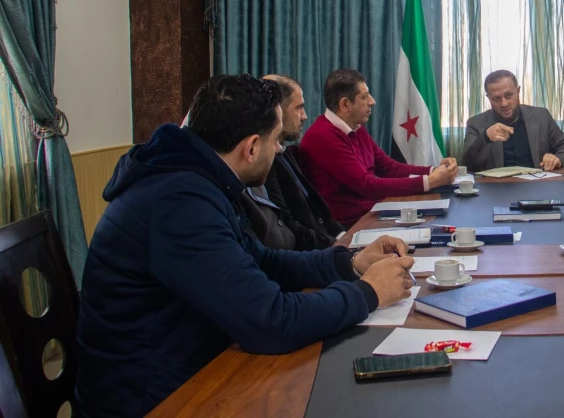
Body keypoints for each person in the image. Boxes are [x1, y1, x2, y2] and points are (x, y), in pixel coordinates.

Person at [75, 75, 416, 418]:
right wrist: (369, 292)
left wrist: (351, 263)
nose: (279, 150)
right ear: (251, 147)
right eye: (275, 141)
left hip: (191, 365)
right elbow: (271, 322)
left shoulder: (195, 178)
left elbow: (263, 261)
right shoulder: (179, 202)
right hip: (155, 399)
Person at [299, 69, 459, 227]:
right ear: (345, 104)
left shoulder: (355, 127)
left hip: (373, 211)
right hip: (351, 225)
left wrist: (433, 171)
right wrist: (429, 182)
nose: (372, 101)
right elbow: (367, 186)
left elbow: (389, 167)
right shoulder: (322, 136)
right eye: (365, 96)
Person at [261, 74, 346, 249]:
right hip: (312, 254)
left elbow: (318, 209)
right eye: (299, 108)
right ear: (278, 111)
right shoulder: (264, 163)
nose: (305, 116)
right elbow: (286, 225)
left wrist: (343, 237)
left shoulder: (286, 152)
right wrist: (336, 246)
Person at [461, 70, 564, 172]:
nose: (504, 104)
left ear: (518, 91)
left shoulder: (541, 116)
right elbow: (467, 164)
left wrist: (557, 159)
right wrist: (485, 137)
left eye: (508, 95)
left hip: (537, 183)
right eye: (496, 98)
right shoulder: (476, 123)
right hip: (498, 186)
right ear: (488, 98)